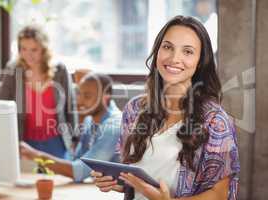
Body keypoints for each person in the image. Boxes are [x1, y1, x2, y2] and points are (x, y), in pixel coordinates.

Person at [92, 15, 240, 200]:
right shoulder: (134, 109)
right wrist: (116, 181)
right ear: (157, 51)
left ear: (200, 61)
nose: (174, 58)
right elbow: (138, 180)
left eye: (187, 51)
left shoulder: (215, 121)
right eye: (168, 47)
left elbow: (219, 194)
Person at [20, 73, 122, 182]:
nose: (79, 101)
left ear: (105, 97)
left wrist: (35, 155)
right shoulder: (90, 120)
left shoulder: (113, 128)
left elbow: (80, 171)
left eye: (87, 96)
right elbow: (75, 160)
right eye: (78, 94)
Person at [0, 25, 77, 159]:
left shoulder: (60, 70)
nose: (28, 54)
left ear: (44, 49)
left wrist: (75, 138)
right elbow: (2, 105)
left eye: (34, 49)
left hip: (56, 142)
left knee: (58, 180)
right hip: (24, 142)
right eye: (23, 49)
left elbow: (70, 105)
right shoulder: (13, 70)